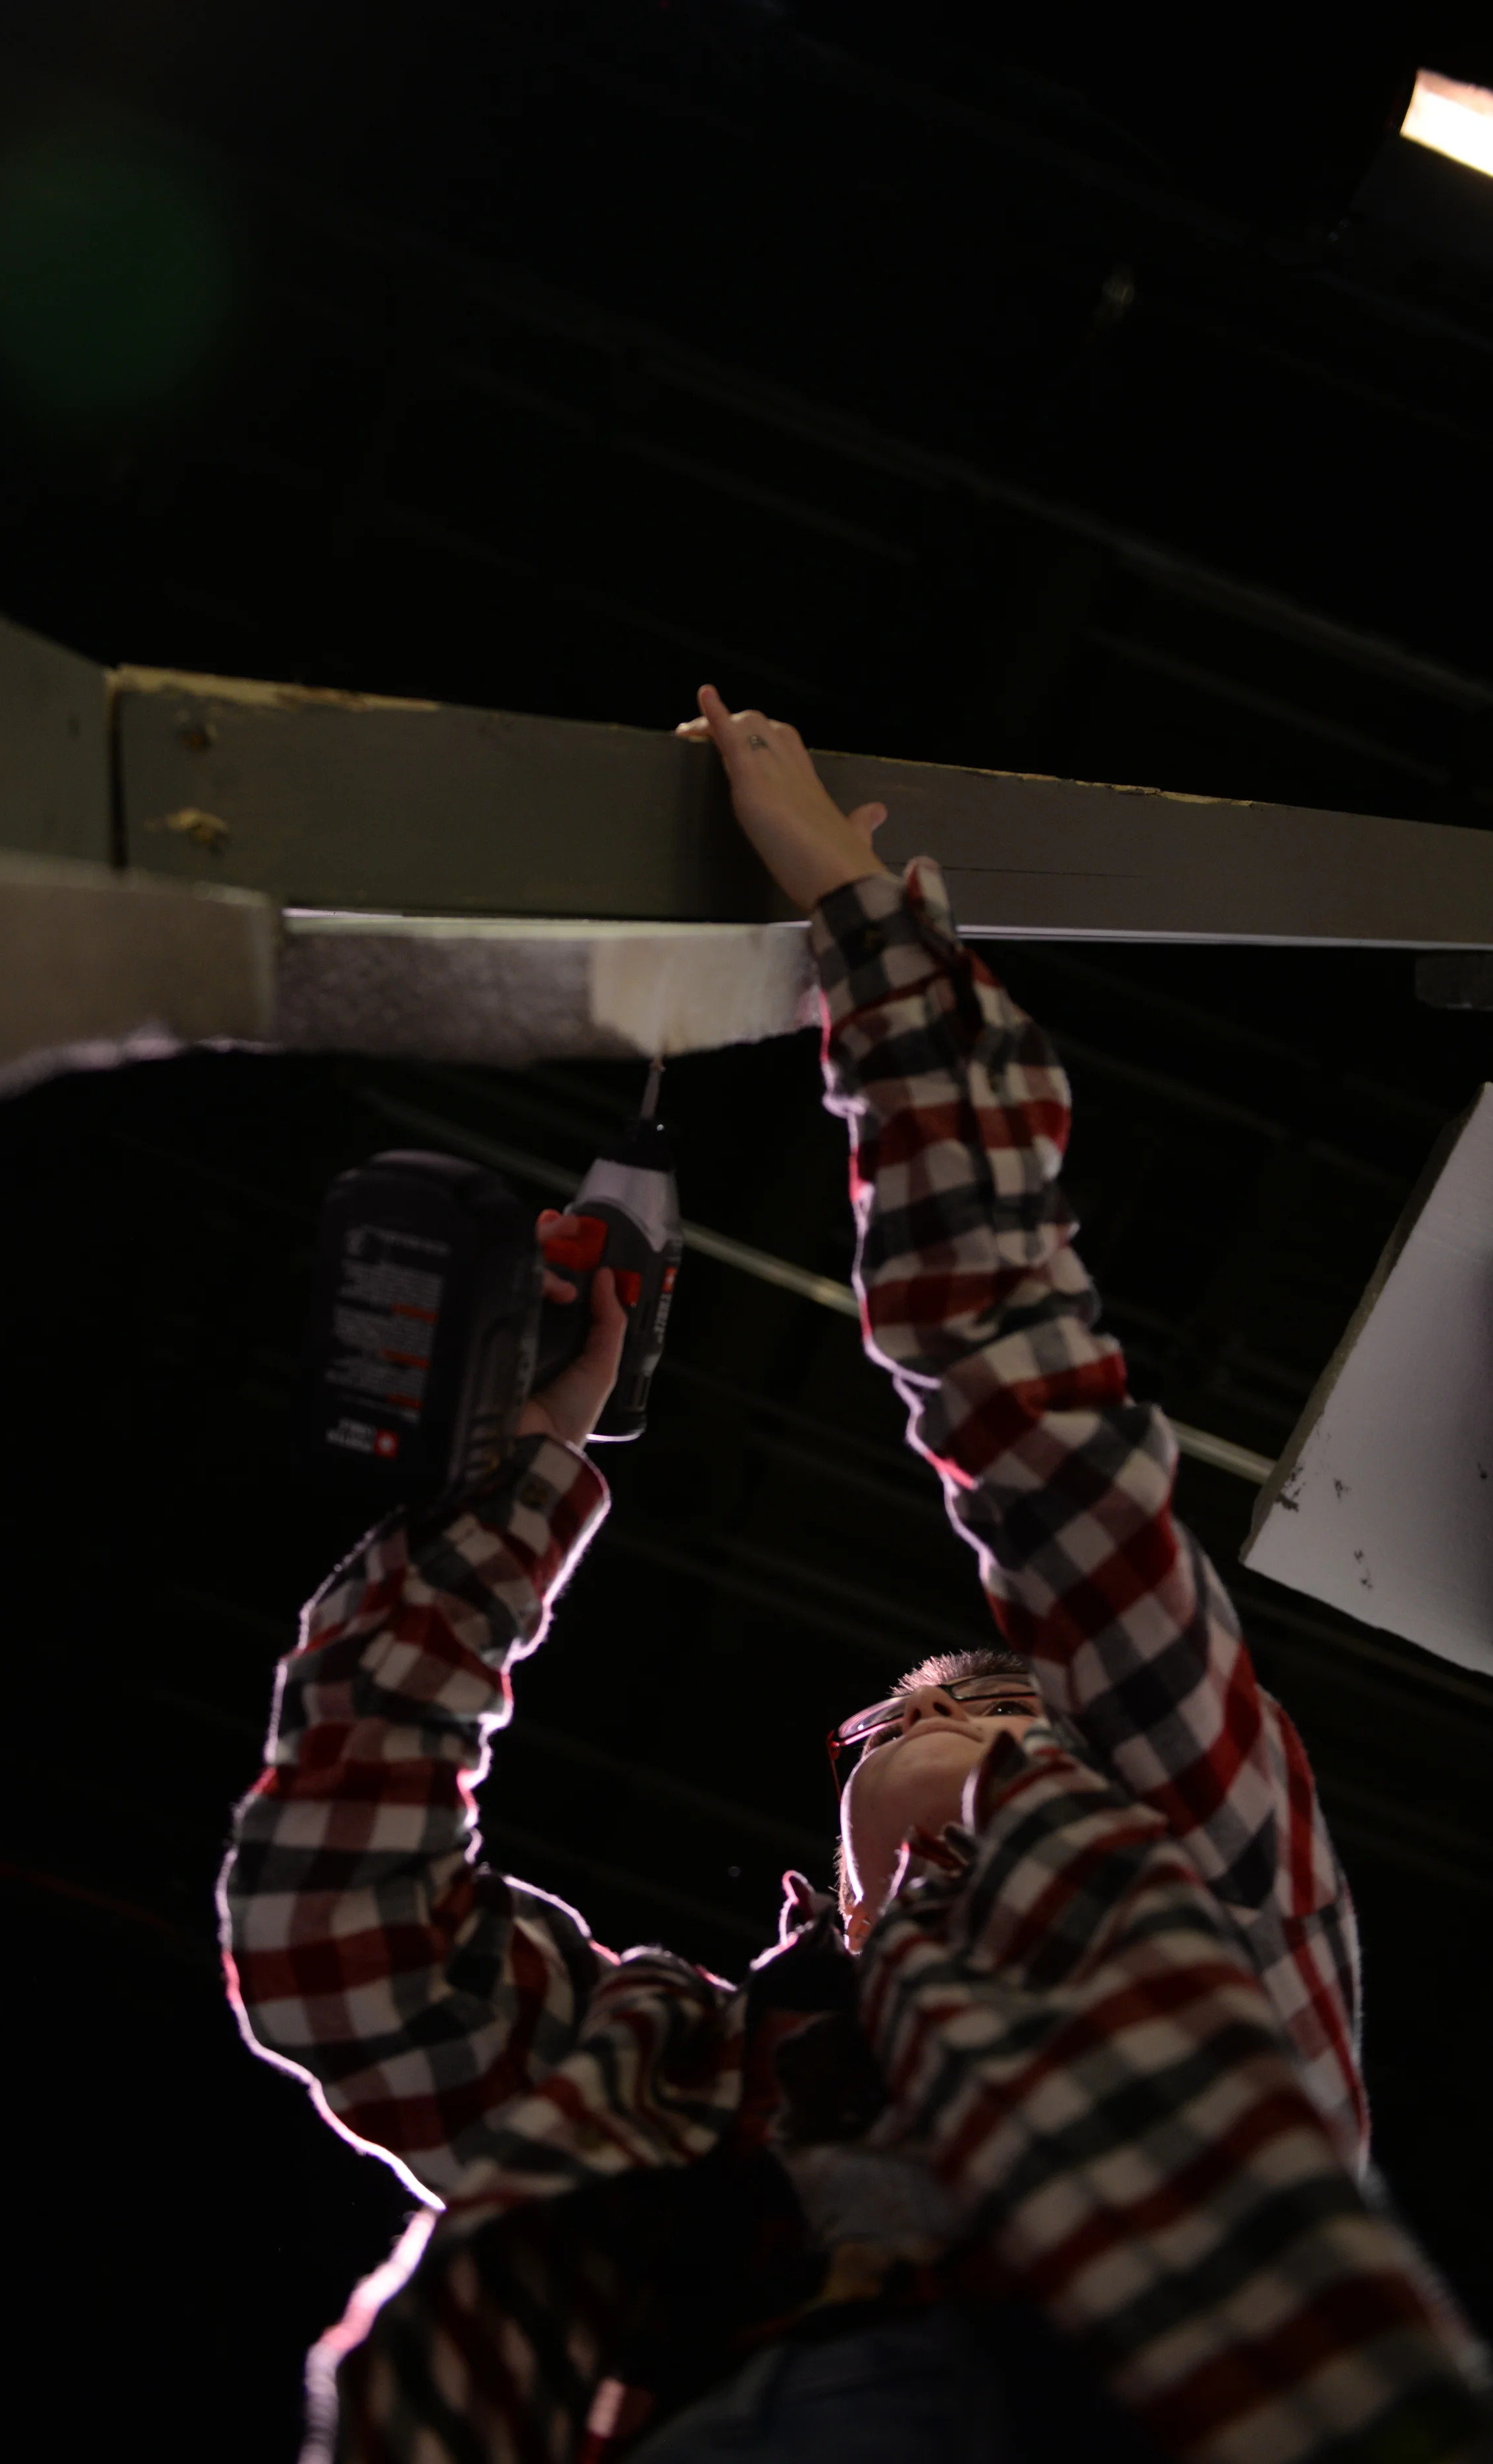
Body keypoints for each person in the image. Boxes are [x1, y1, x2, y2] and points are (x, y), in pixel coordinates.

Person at [221, 688, 1492, 2464]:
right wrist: (520, 1481)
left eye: (1000, 1706)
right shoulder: (674, 2068)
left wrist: (875, 945)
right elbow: (333, 1932)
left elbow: (1031, 1410)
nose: (958, 1724)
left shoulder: (1201, 1895)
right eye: (926, 1709)